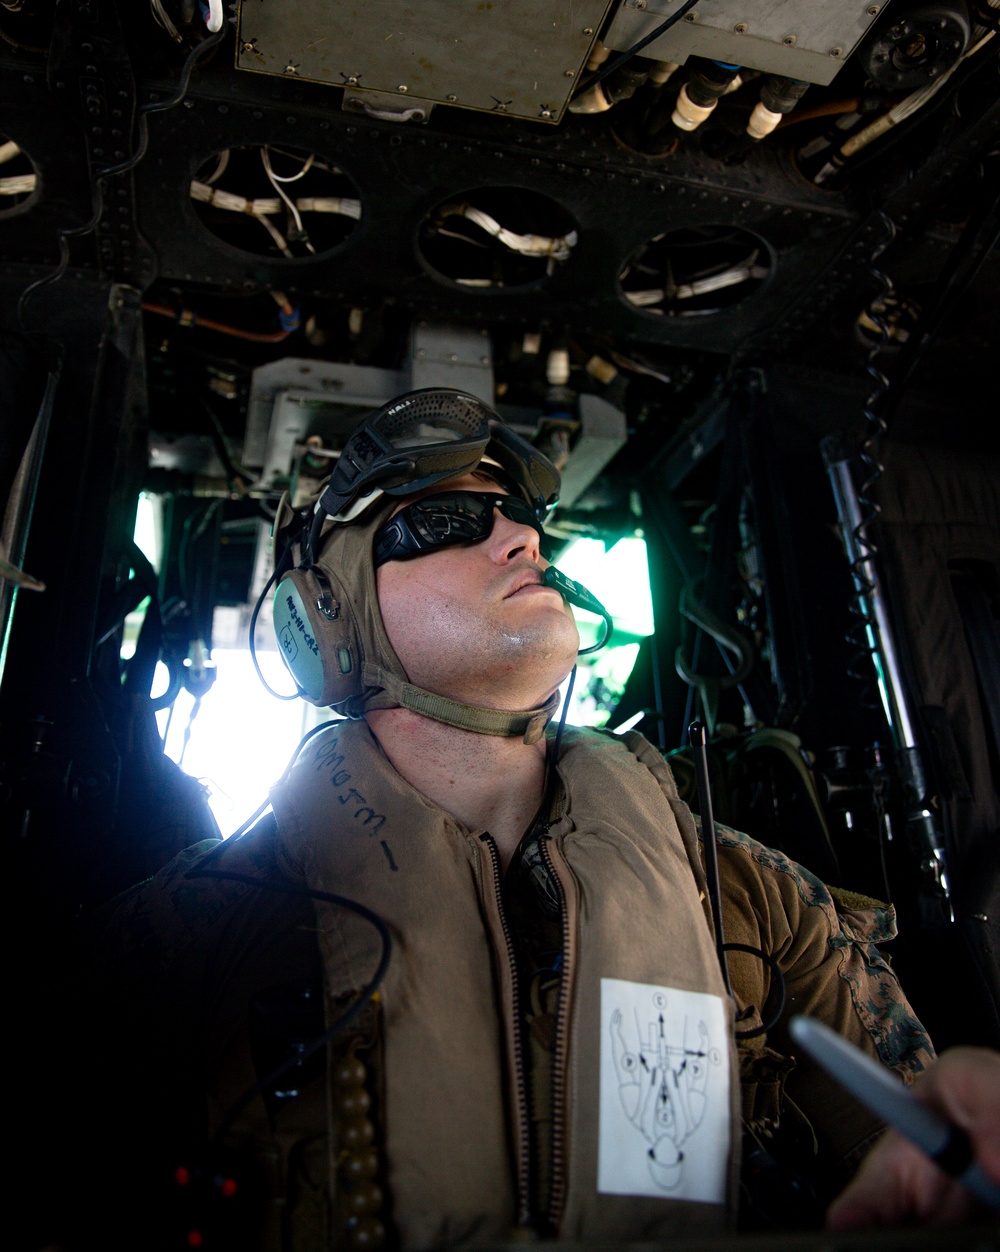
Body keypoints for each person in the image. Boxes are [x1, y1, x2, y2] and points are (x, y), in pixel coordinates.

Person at [87, 388, 988, 1251]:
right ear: (325, 618)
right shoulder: (186, 939)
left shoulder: (753, 897)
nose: (521, 537)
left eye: (519, 516)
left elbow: (919, 1172)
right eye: (445, 521)